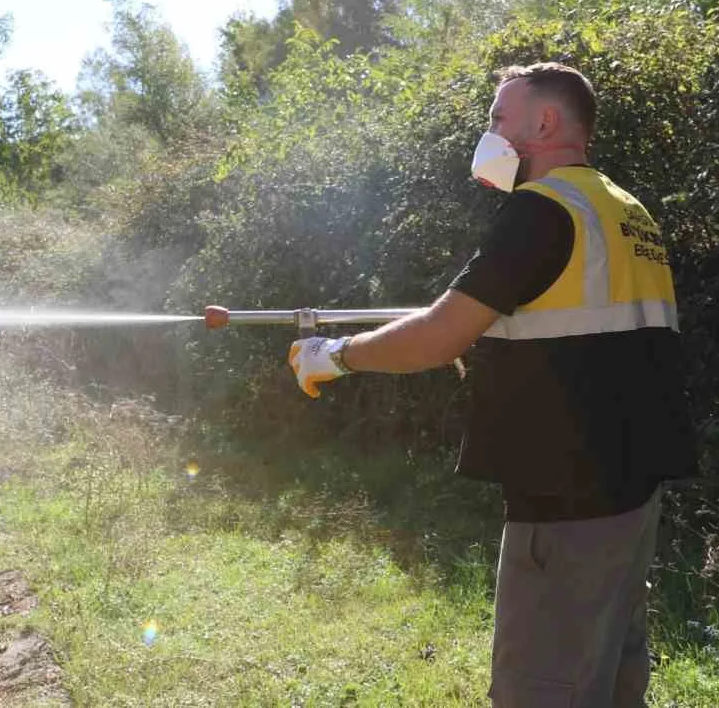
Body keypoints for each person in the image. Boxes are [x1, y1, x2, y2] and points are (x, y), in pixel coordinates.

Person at [286, 62, 697, 708]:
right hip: (632, 499)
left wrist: (333, 355)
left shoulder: (539, 210)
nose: (491, 133)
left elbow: (438, 333)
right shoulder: (626, 211)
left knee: (542, 691)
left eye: (498, 118)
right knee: (614, 683)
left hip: (565, 507)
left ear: (545, 122)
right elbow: (586, 332)